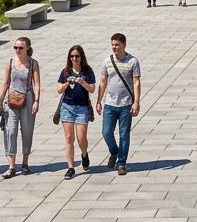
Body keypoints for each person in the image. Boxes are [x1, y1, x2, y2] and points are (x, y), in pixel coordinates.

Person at [96, 33, 141, 175]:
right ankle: (114, 151)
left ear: (124, 45)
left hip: (126, 104)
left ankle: (122, 163)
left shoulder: (132, 61)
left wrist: (137, 102)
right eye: (113, 45)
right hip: (110, 103)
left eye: (117, 45)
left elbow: (136, 82)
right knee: (106, 132)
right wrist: (98, 101)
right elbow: (103, 82)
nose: (114, 47)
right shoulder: (107, 61)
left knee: (124, 134)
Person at [0, 36, 41, 179]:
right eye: (15, 47)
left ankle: (25, 163)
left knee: (27, 131)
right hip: (11, 99)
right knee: (10, 131)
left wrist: (37, 101)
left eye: (20, 48)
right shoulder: (10, 63)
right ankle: (11, 166)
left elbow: (37, 84)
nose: (17, 50)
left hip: (28, 98)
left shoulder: (33, 63)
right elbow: (5, 83)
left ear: (27, 48)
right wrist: (0, 101)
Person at [57, 44, 96, 179]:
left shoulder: (87, 71)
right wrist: (67, 83)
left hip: (82, 108)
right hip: (67, 106)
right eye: (72, 56)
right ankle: (71, 167)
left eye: (77, 56)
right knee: (69, 138)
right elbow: (59, 89)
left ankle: (84, 154)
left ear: (81, 57)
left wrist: (82, 82)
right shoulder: (65, 71)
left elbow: (92, 89)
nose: (74, 59)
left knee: (81, 138)